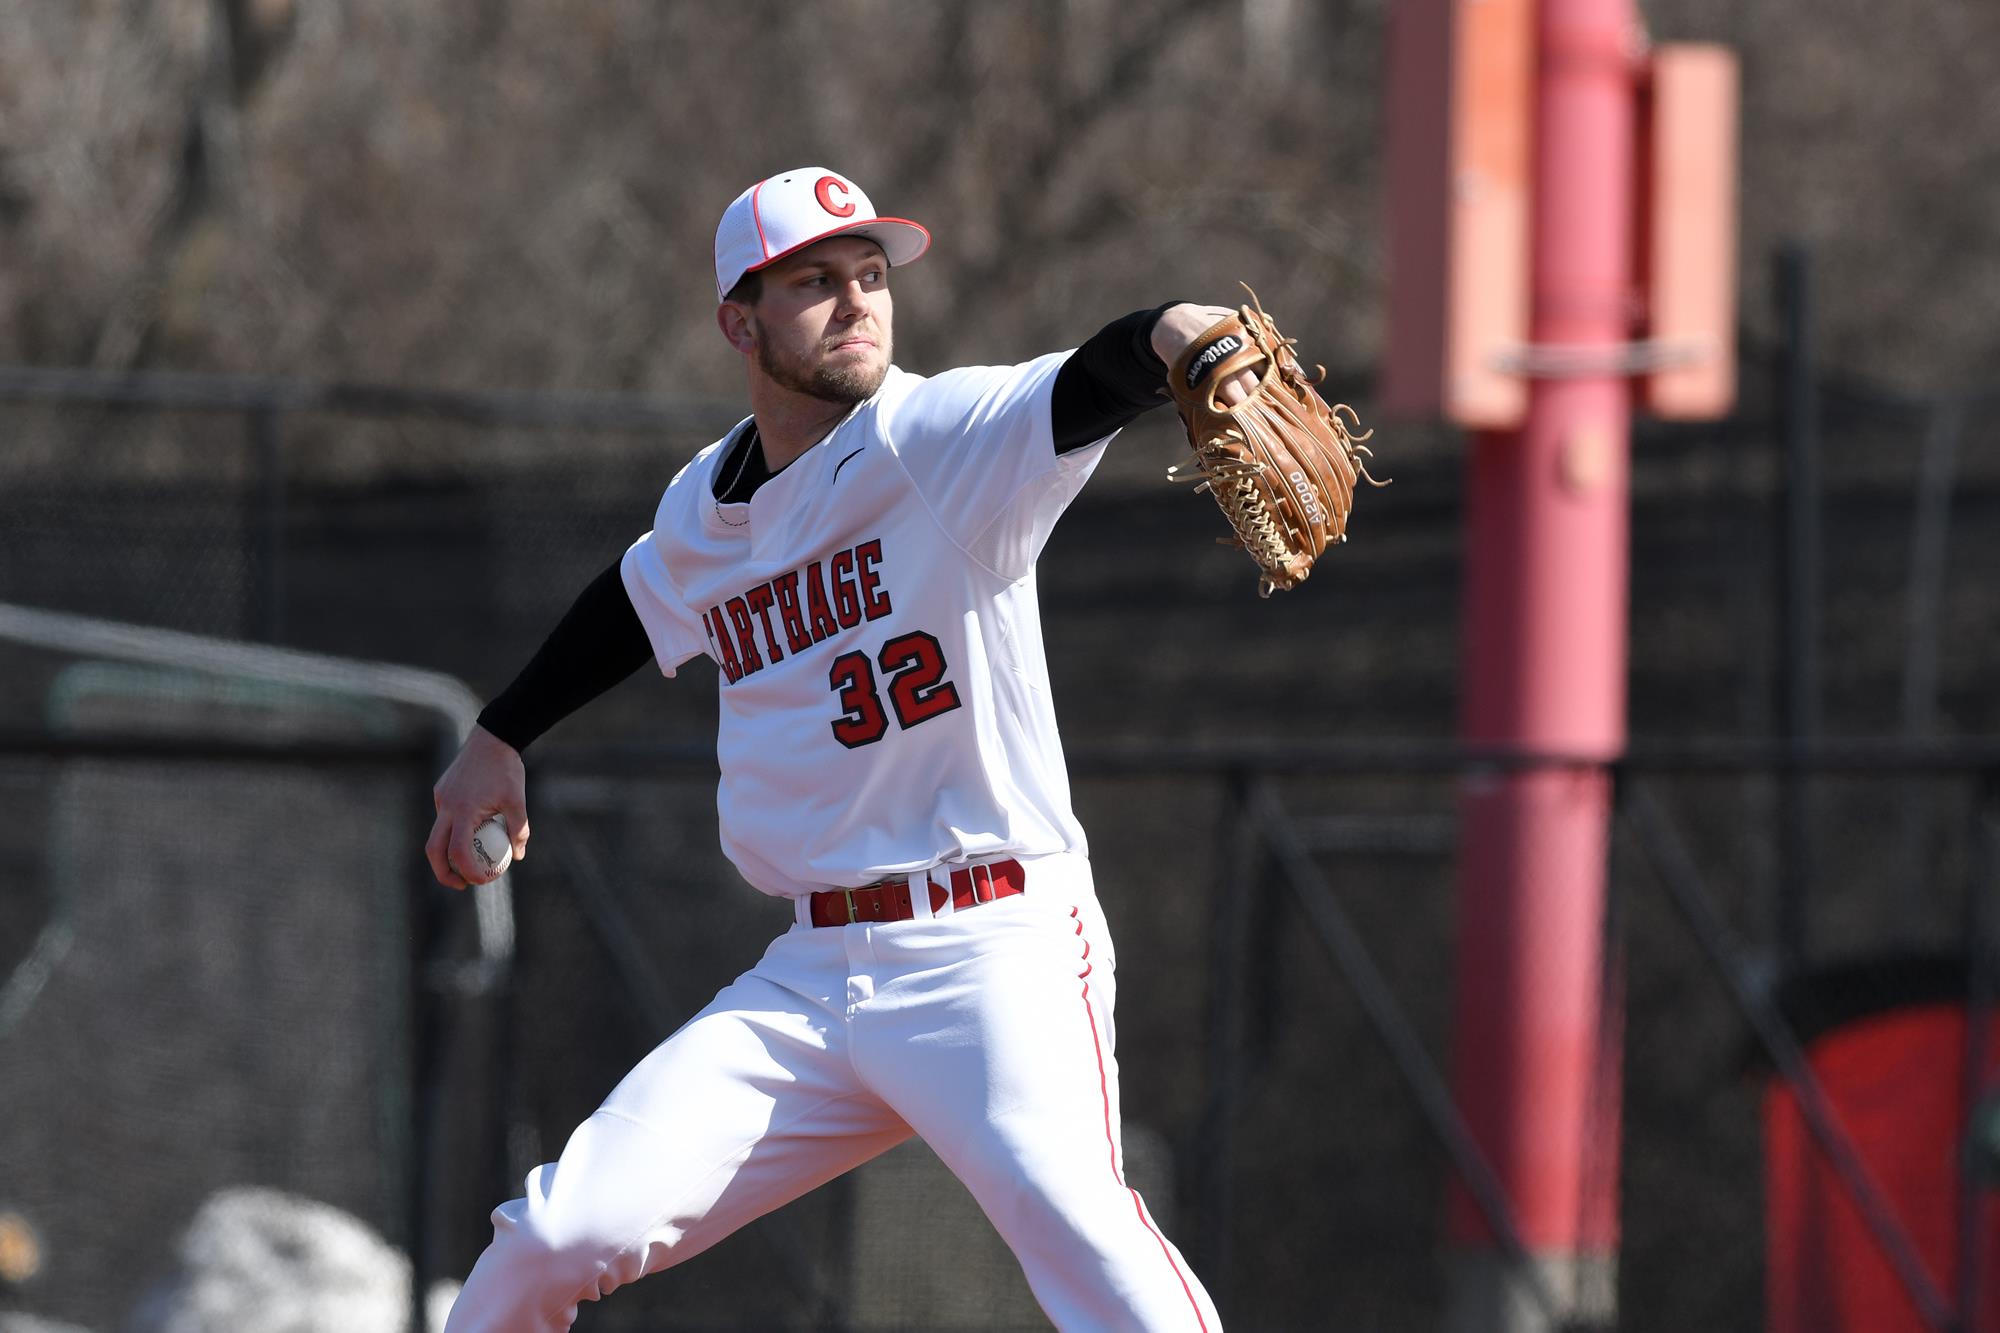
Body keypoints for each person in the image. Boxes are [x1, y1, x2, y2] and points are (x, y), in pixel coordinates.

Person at [426, 166, 1250, 1332]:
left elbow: (1088, 381)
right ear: (739, 321)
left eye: (871, 275)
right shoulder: (705, 506)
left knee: (1098, 1259)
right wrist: (500, 734)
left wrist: (1174, 333)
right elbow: (633, 598)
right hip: (812, 979)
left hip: (990, 950)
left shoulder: (935, 437)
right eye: (816, 281)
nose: (859, 300)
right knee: (554, 1240)